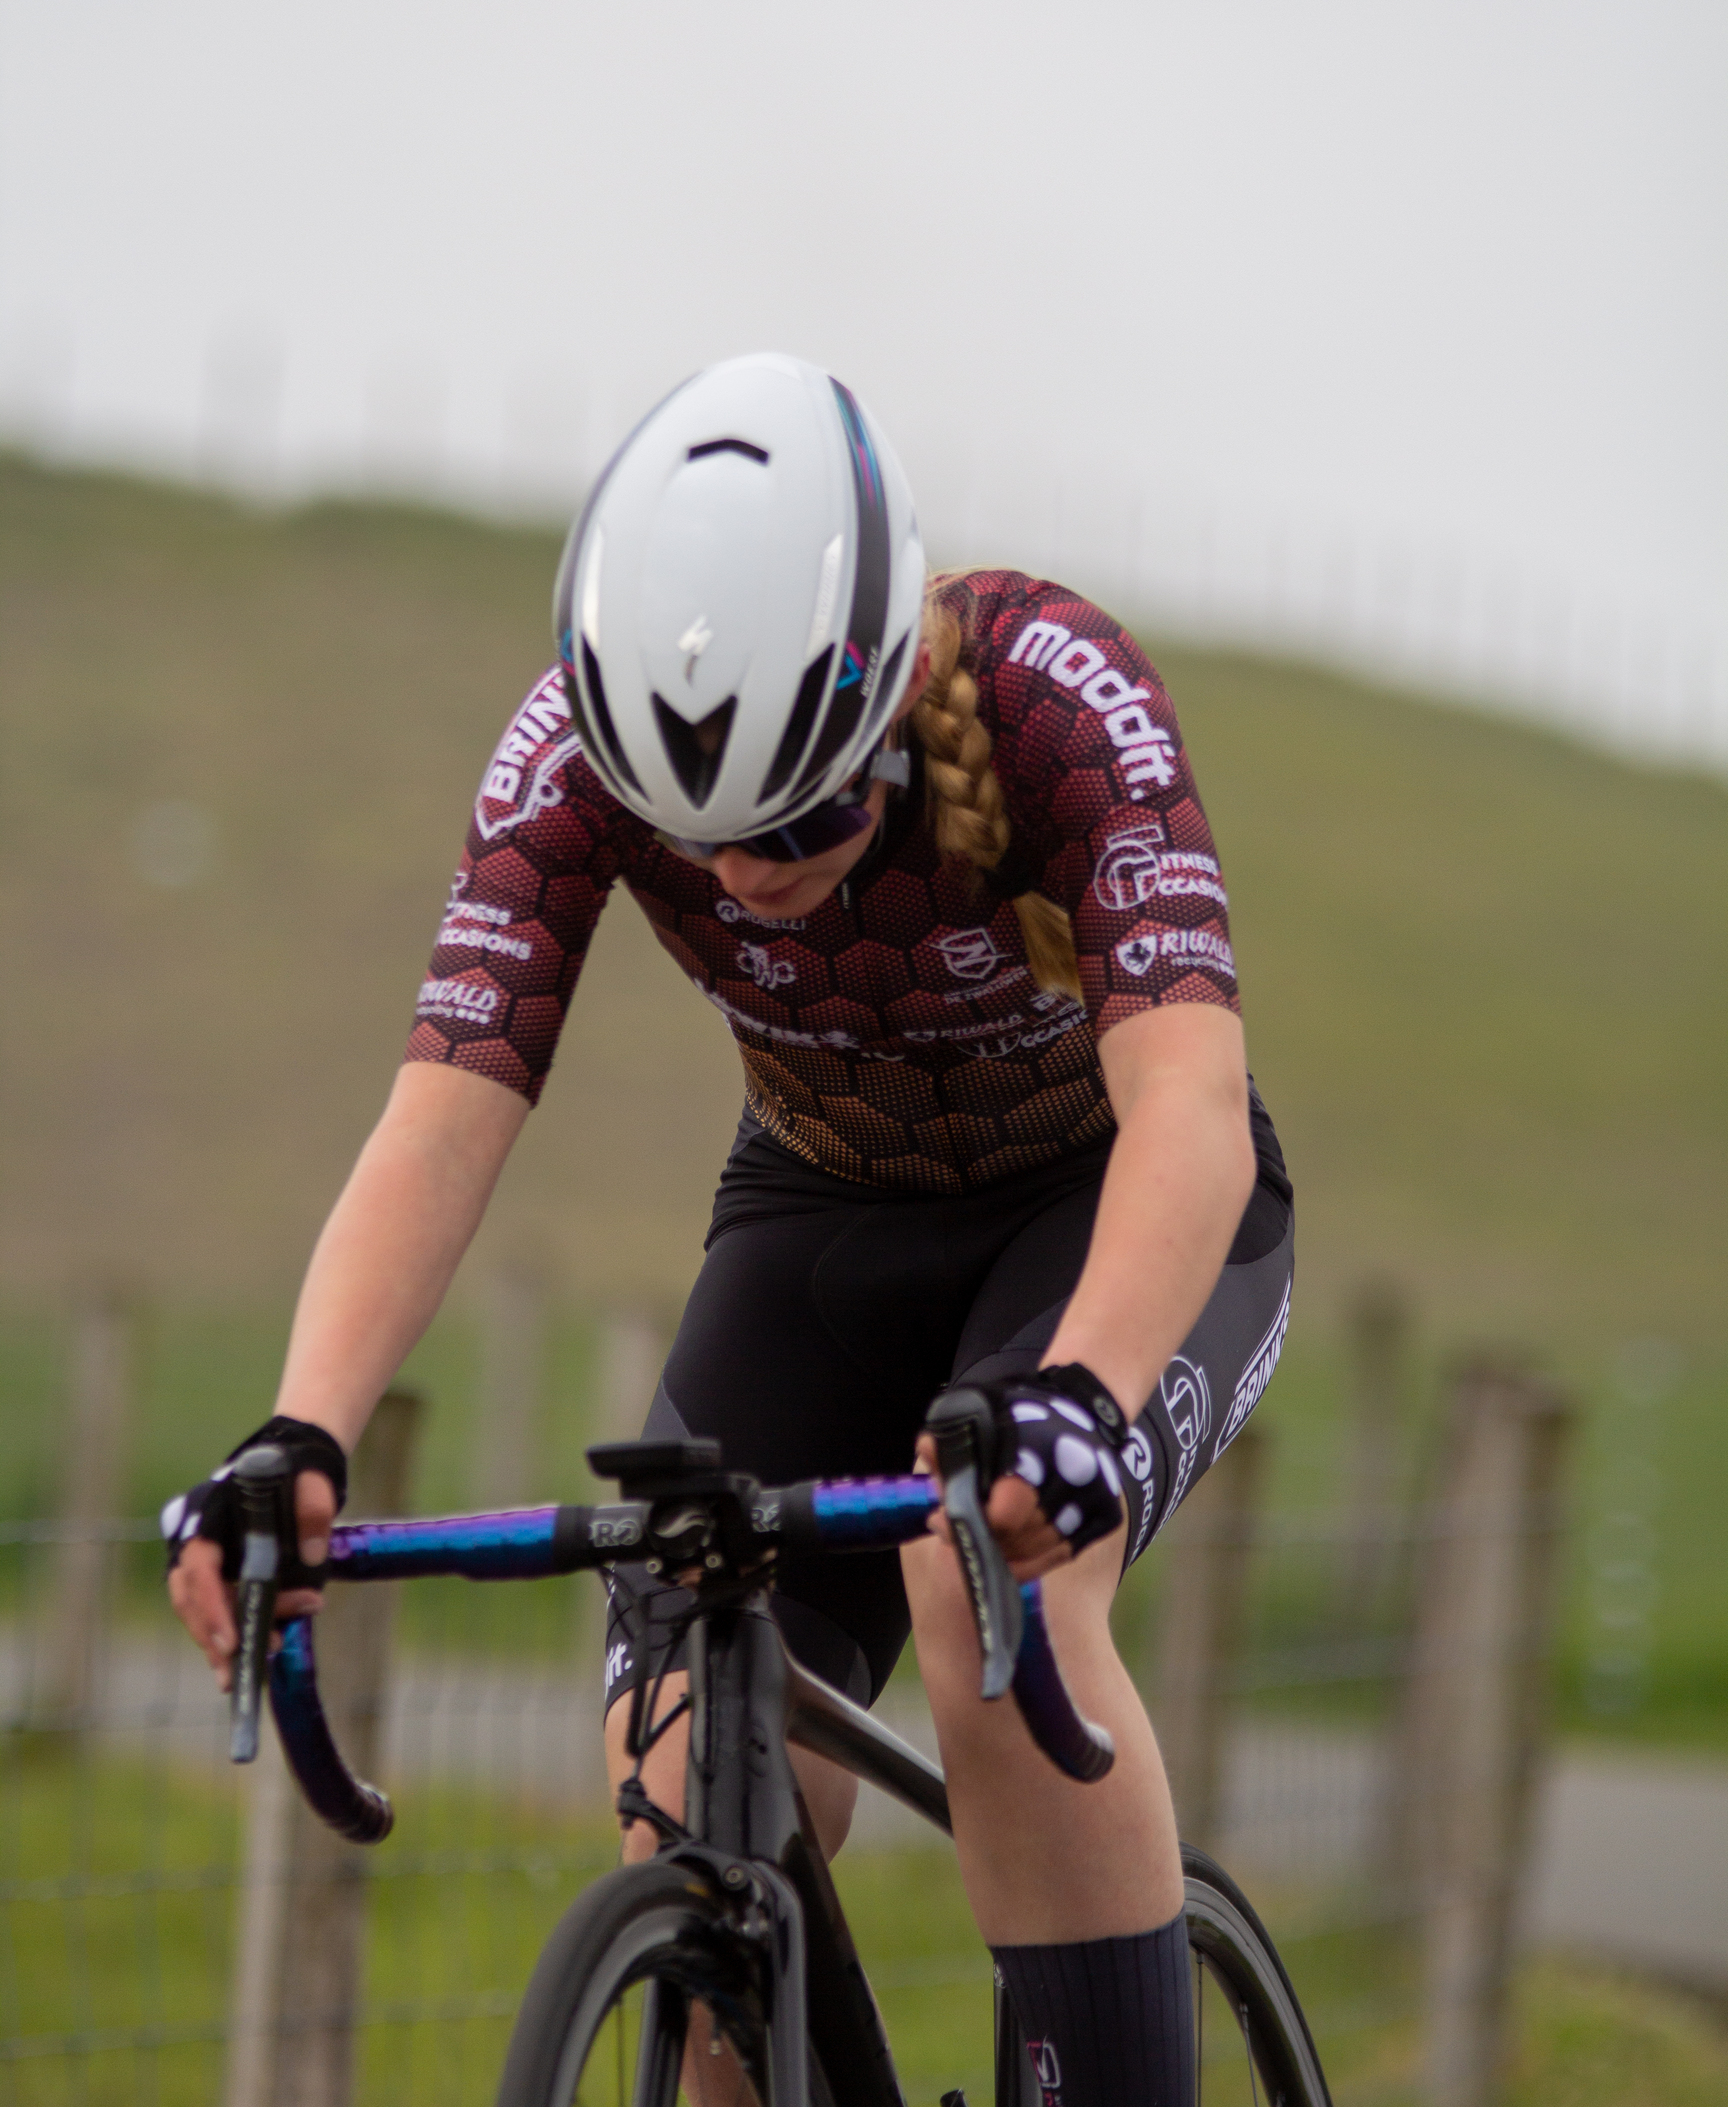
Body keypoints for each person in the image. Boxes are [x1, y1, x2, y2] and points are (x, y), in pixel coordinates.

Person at [166, 351, 1293, 2105]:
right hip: (822, 1223)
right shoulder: (567, 753)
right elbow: (443, 1116)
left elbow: (1193, 1120)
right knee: (686, 1741)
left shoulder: (1055, 688)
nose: (751, 872)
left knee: (992, 1587)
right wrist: (298, 1429)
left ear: (883, 706)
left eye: (804, 816)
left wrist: (1084, 1390)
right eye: (701, 842)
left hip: (1106, 1209)